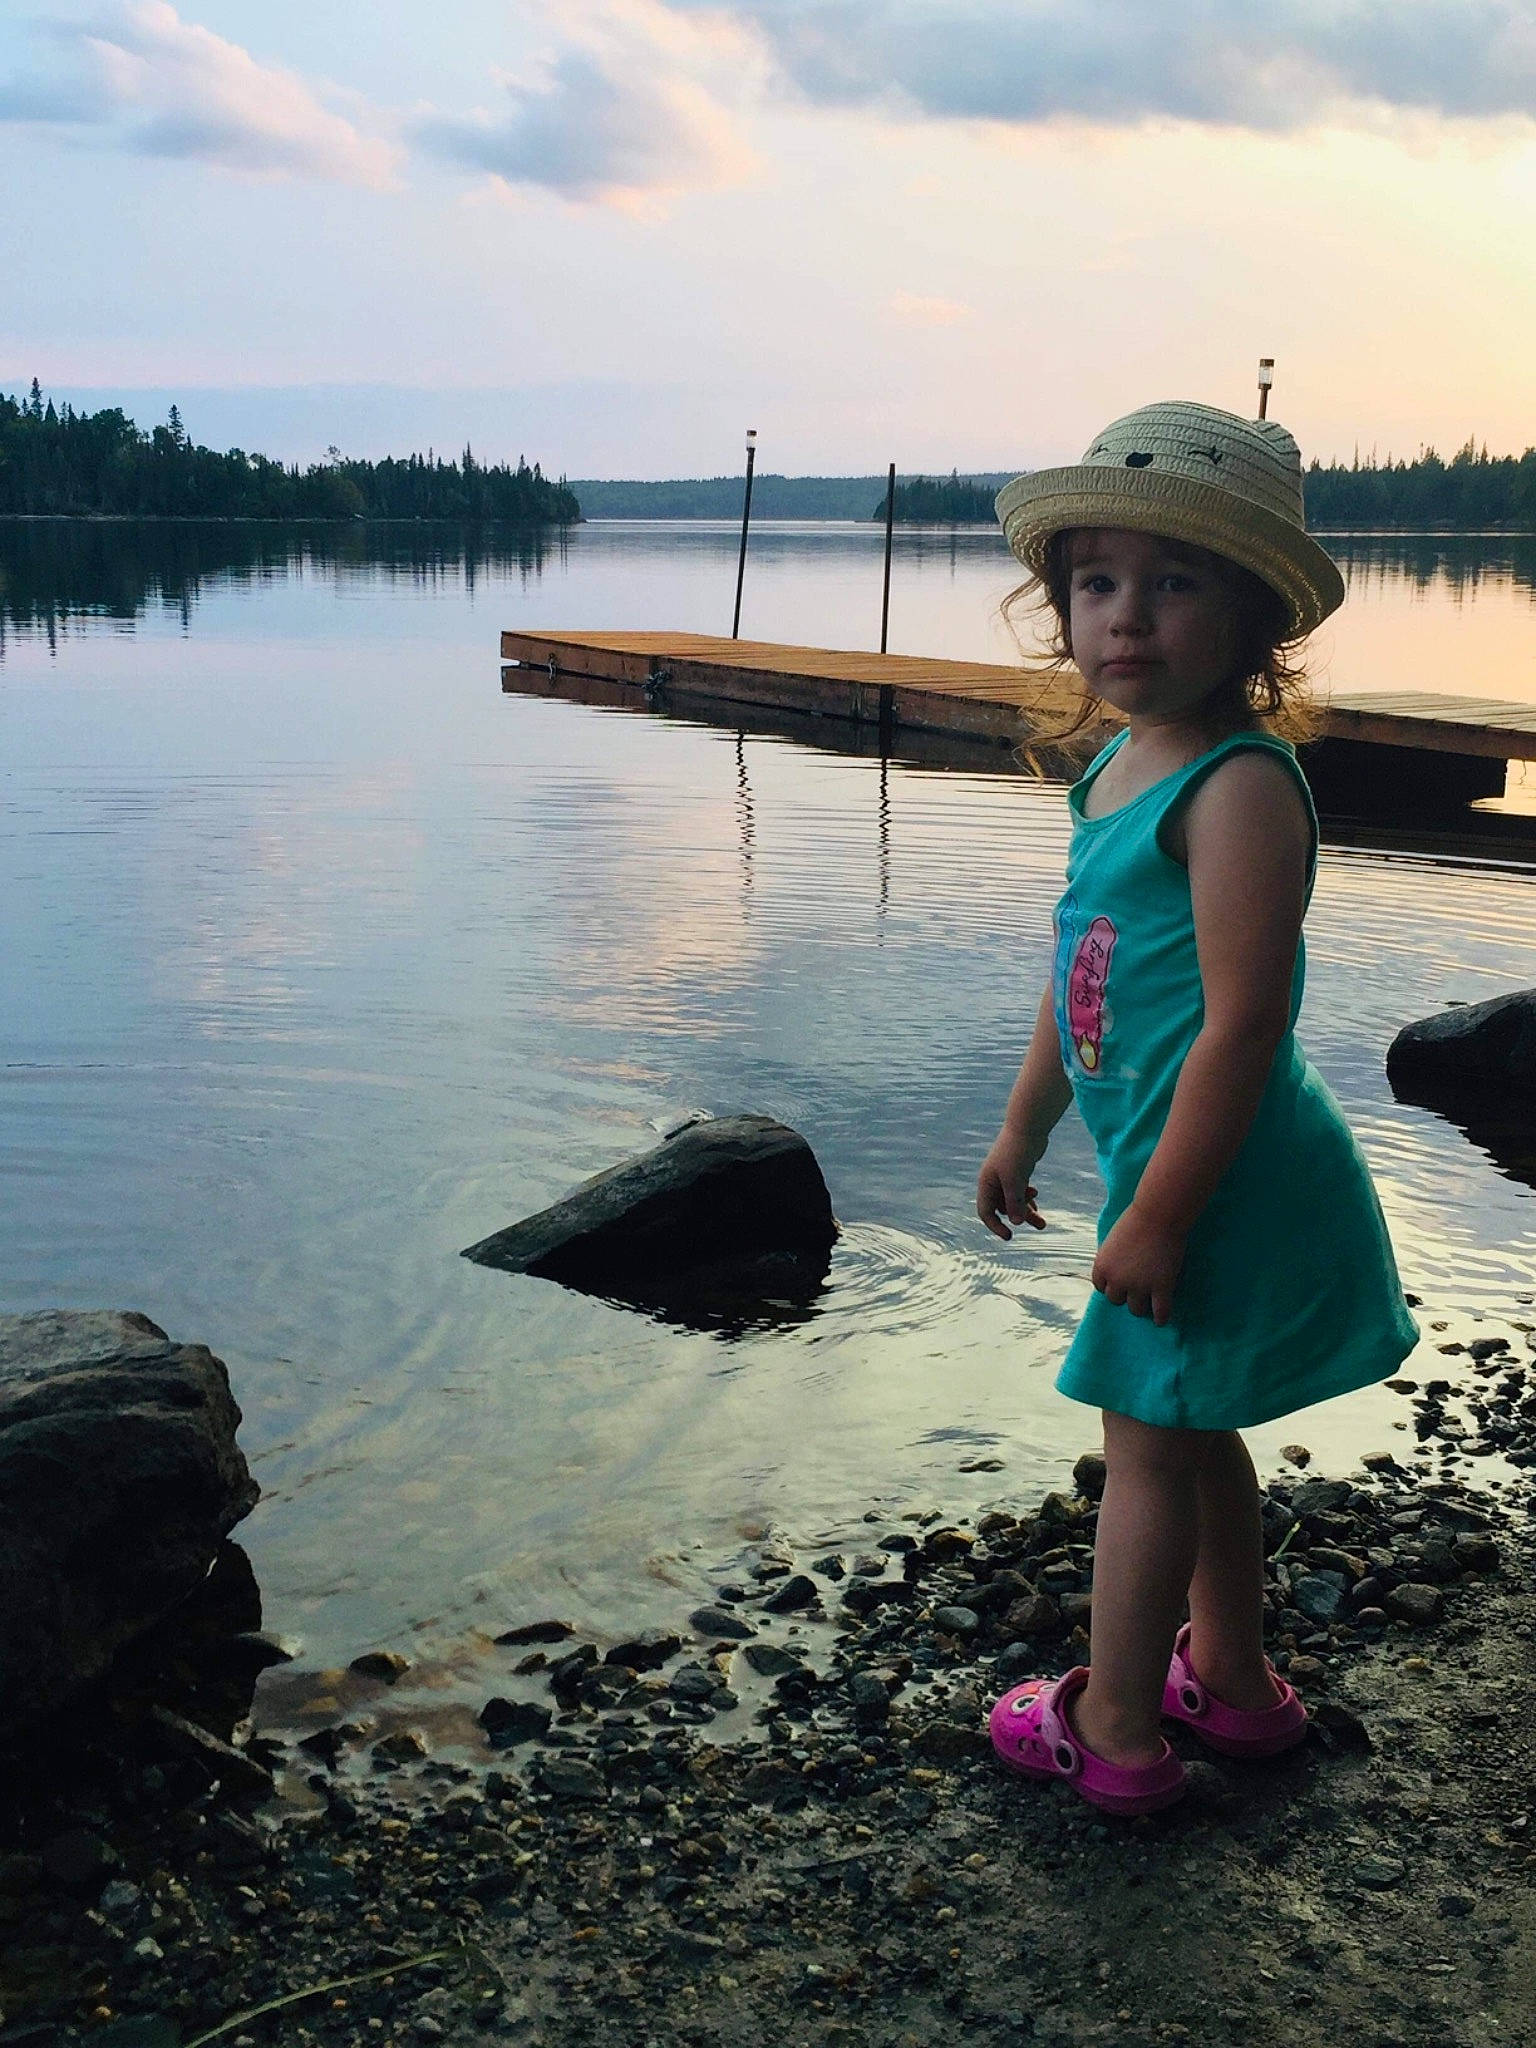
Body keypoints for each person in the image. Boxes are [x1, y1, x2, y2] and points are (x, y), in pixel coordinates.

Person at [975, 399, 1418, 1816]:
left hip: (1219, 1174)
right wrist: (1024, 1121)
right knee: (1194, 1418)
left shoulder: (1239, 788)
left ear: (1252, 618)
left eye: (1174, 584)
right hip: (1167, 1170)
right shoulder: (1115, 765)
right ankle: (1230, 1682)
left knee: (1142, 1440)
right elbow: (1081, 973)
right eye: (1098, 584)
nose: (1128, 620)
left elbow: (1245, 1022)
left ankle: (1112, 1733)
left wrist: (1160, 1211)